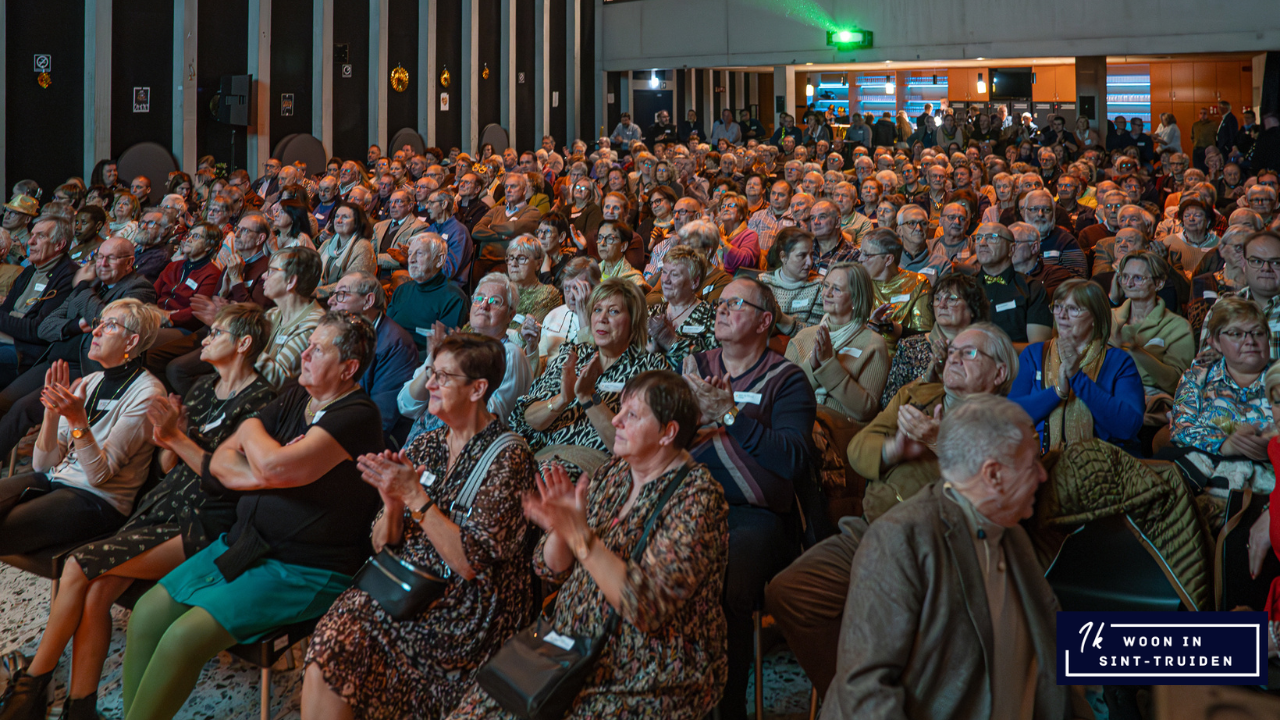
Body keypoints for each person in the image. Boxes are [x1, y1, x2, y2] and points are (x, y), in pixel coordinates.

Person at [0, 304, 275, 720]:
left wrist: (172, 439)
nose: (204, 337)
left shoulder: (261, 401)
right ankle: (81, 707)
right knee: (96, 592)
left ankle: (33, 685)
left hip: (204, 516)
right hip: (164, 502)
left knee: (80, 565)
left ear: (244, 343)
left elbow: (224, 479)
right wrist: (168, 439)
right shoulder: (202, 389)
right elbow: (169, 468)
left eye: (215, 331)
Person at [119, 312, 386, 720]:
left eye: (319, 349)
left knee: (181, 639)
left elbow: (274, 466)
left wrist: (262, 457)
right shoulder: (299, 395)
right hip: (244, 544)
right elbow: (234, 445)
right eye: (308, 344)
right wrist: (260, 463)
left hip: (304, 567)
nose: (306, 354)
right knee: (147, 615)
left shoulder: (357, 414)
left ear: (349, 368)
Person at [448, 370, 728, 720]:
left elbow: (647, 609)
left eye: (632, 415)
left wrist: (581, 538)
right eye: (620, 409)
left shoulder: (697, 497)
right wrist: (562, 532)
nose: (615, 420)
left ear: (668, 433)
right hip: (569, 645)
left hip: (645, 669)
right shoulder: (615, 473)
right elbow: (549, 568)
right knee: (477, 709)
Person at [767, 324, 1017, 695]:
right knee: (791, 591)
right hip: (871, 530)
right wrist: (893, 451)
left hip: (945, 549)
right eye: (953, 352)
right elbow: (858, 448)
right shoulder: (915, 395)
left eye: (970, 353)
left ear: (999, 373)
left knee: (909, 616)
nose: (954, 358)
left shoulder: (1009, 424)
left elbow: (999, 496)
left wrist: (938, 440)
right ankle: (857, 698)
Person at [303, 333, 538, 720]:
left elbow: (469, 566)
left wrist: (415, 498)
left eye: (443, 377)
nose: (429, 383)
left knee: (348, 643)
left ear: (478, 389)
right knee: (332, 639)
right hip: (408, 585)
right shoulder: (426, 444)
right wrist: (393, 506)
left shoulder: (509, 457)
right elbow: (381, 545)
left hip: (468, 609)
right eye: (431, 372)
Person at [820, 395, 1067, 720]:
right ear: (992, 475)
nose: (1043, 475)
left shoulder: (1011, 534)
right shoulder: (902, 537)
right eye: (1032, 463)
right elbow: (865, 691)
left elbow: (1056, 650)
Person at [684, 277, 816, 720]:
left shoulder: (788, 379)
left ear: (764, 320)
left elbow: (792, 460)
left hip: (755, 517)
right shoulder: (694, 366)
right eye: (719, 303)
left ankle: (725, 709)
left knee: (725, 582)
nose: (722, 310)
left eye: (735, 304)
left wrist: (729, 415)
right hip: (688, 502)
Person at [0, 299, 165, 557]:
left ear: (131, 342)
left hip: (98, 500)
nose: (95, 331)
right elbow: (43, 466)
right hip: (55, 481)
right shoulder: (90, 382)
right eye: (99, 323)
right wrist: (52, 414)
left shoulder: (147, 393)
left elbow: (99, 476)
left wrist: (77, 420)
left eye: (109, 326)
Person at [1009, 279, 1145, 452]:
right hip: (1043, 461)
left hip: (1102, 464)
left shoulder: (1118, 361)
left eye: (1073, 309)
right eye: (1058, 306)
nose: (1062, 315)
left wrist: (1077, 379)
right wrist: (1057, 392)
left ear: (1095, 317)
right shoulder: (1034, 354)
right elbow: (1011, 418)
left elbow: (1128, 427)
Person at [399, 273, 533, 445]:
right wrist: (433, 361)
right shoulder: (454, 345)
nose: (484, 306)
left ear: (510, 315)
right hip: (423, 443)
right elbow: (407, 406)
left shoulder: (509, 354)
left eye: (495, 302)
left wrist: (455, 369)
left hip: (470, 449)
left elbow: (490, 417)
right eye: (479, 299)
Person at [1165, 297, 1273, 492]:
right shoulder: (1198, 376)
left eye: (1258, 333)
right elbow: (1181, 428)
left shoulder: (1277, 379)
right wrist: (1224, 445)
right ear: (1215, 341)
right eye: (1236, 334)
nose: (1250, 341)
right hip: (1200, 477)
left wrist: (1269, 446)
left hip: (1267, 480)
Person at [784, 262, 887, 423]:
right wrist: (812, 366)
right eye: (826, 286)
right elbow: (783, 395)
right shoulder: (803, 337)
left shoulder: (873, 344)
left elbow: (865, 411)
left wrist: (828, 365)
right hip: (794, 422)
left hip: (837, 432)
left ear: (855, 298)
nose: (827, 293)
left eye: (837, 289)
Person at [326, 271, 420, 438]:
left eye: (341, 294)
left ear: (368, 301)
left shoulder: (396, 345)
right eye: (334, 294)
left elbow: (380, 419)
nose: (330, 301)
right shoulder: (341, 331)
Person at [882, 274, 991, 406]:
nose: (942, 305)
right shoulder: (910, 346)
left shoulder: (984, 348)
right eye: (937, 298)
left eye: (951, 299)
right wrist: (927, 378)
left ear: (973, 308)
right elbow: (888, 401)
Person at [0, 216, 78, 387]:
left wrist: (11, 320)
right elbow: (5, 312)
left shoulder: (69, 276)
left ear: (59, 245)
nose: (30, 242)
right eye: (32, 235)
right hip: (7, 339)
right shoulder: (28, 272)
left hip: (28, 352)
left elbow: (38, 329)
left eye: (40, 236)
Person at [1109, 251, 1195, 400]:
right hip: (1108, 390)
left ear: (1159, 283)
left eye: (1138, 278)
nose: (1128, 284)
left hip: (1150, 397)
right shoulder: (1109, 317)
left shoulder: (1178, 326)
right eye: (1125, 276)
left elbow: (1175, 383)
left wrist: (1135, 350)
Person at [965, 222, 1052, 346]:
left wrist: (990, 349)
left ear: (1011, 249)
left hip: (1015, 363)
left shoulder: (1032, 288)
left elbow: (1038, 350)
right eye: (978, 238)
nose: (982, 243)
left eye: (992, 237)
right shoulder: (965, 287)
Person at [388, 234, 470, 355]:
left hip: (421, 365)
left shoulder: (454, 298)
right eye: (410, 253)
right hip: (389, 356)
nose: (411, 259)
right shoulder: (402, 290)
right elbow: (385, 331)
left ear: (440, 260)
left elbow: (445, 350)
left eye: (419, 253)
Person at [646, 245, 717, 370]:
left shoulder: (711, 317)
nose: (665, 280)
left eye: (675, 274)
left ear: (694, 282)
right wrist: (648, 350)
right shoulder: (651, 312)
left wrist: (672, 342)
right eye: (664, 272)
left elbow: (711, 365)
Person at [760, 226, 823, 336]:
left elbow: (814, 334)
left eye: (811, 255)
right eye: (802, 255)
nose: (809, 262)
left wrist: (781, 319)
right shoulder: (763, 282)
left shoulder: (819, 285)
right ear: (783, 257)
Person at [504, 234, 564, 327]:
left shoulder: (548, 293)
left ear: (538, 264)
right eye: (511, 258)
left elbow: (526, 335)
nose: (513, 263)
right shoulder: (499, 289)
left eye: (521, 258)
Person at [372, 190, 428, 281]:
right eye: (390, 202)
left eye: (398, 202)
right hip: (374, 274)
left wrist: (373, 259)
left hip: (399, 278)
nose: (392, 206)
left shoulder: (419, 227)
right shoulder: (379, 226)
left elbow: (405, 258)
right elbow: (370, 251)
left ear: (410, 205)